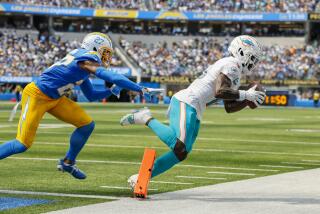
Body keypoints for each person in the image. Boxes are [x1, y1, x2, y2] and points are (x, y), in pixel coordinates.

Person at [0, 32, 154, 180]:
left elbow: (91, 96)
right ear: (94, 48)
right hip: (37, 95)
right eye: (104, 52)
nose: (106, 57)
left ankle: (68, 163)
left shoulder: (83, 64)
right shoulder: (88, 57)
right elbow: (111, 76)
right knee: (22, 143)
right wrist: (139, 88)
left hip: (55, 99)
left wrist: (110, 91)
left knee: (86, 125)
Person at [120, 35, 266, 187]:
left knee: (180, 153)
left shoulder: (234, 71)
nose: (253, 63)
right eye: (252, 58)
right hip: (188, 100)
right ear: (242, 52)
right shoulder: (232, 64)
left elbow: (229, 107)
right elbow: (220, 92)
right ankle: (145, 118)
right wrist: (246, 94)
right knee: (179, 146)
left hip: (196, 107)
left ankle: (142, 177)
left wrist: (247, 102)